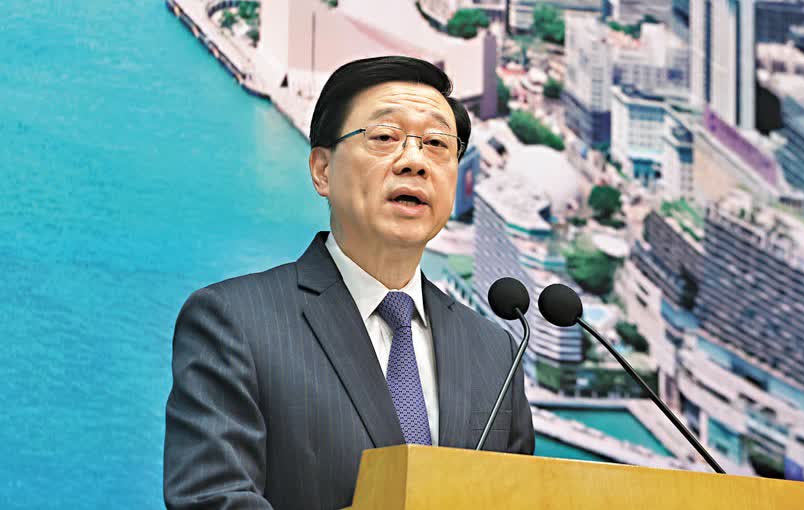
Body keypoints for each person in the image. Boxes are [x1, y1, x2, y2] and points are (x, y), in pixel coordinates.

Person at [163, 56, 534, 510]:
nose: (415, 161)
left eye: (437, 144)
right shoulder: (234, 323)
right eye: (385, 137)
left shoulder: (495, 352)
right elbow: (211, 499)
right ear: (322, 170)